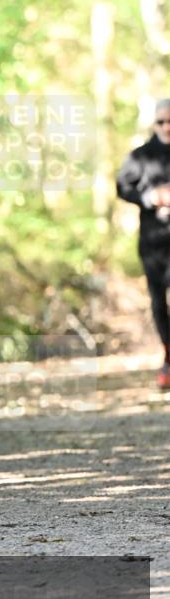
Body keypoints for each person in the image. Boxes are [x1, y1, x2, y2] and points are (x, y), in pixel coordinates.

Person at [116, 98, 170, 390]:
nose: (167, 127)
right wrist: (150, 198)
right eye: (161, 122)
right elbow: (123, 187)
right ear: (154, 124)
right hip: (153, 244)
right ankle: (168, 355)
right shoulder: (140, 156)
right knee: (158, 303)